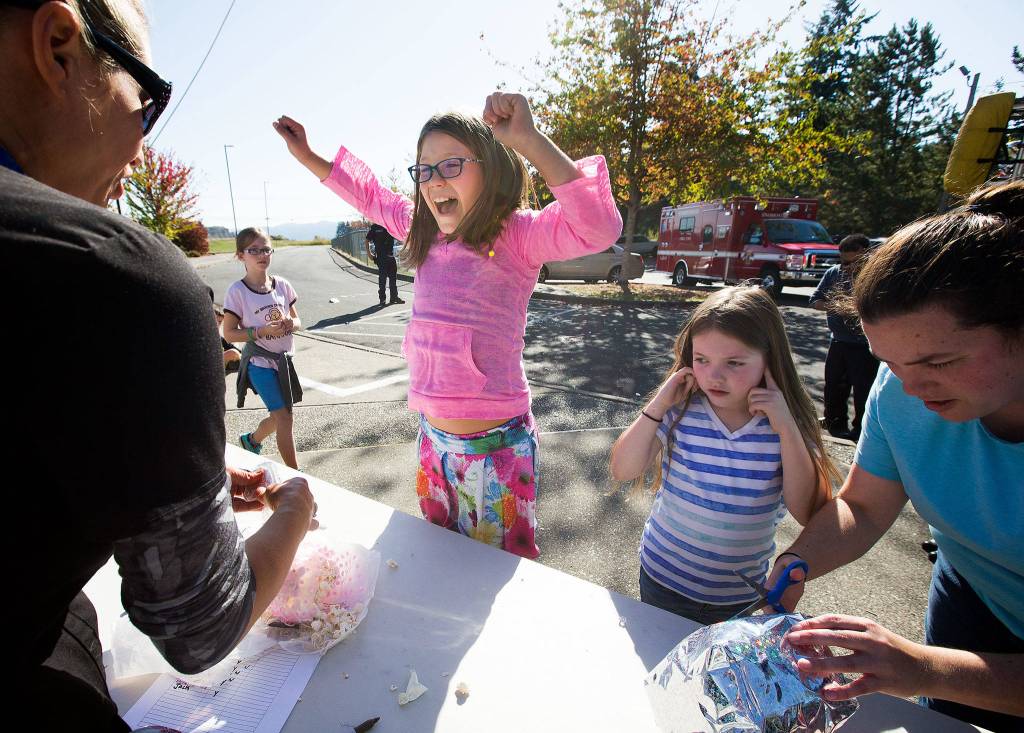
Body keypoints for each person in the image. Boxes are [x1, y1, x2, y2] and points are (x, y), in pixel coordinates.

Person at [1, 2, 315, 729]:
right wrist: (295, 510)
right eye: (147, 102)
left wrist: (147, 491)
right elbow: (201, 625)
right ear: (57, 47)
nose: (143, 150)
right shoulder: (122, 282)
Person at [274, 92, 622, 558]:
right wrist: (309, 157)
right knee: (438, 565)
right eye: (424, 170)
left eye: (452, 165)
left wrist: (529, 140)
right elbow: (372, 196)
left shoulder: (517, 235)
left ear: (492, 168)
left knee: (488, 577)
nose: (434, 180)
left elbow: (597, 227)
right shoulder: (423, 229)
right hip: (432, 441)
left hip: (495, 450)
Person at [768, 182, 1024, 729]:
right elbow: (861, 507)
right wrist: (796, 560)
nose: (910, 391)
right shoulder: (901, 386)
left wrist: (925, 667)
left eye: (938, 362)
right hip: (971, 601)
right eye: (889, 362)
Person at [609, 286, 839, 624]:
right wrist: (658, 404)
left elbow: (808, 512)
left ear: (769, 361)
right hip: (662, 579)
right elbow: (623, 470)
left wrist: (788, 430)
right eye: (702, 360)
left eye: (734, 362)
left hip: (737, 599)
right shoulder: (680, 409)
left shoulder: (785, 425)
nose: (714, 376)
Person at [222, 227, 303, 469]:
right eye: (254, 250)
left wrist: (291, 323)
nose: (261, 255)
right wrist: (261, 332)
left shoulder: (282, 285)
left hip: (283, 362)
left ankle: (251, 440)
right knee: (285, 418)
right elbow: (229, 332)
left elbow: (298, 321)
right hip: (259, 364)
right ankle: (295, 475)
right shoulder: (237, 291)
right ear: (240, 256)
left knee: (280, 417)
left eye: (266, 249)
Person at [809, 234, 879, 440]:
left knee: (863, 390)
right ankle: (834, 423)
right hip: (838, 341)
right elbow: (815, 301)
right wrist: (839, 306)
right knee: (834, 385)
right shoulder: (834, 274)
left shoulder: (875, 276)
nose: (846, 266)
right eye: (843, 261)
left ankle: (861, 429)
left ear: (866, 256)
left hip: (865, 344)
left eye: (851, 262)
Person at [366, 221, 403, 306]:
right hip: (381, 257)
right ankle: (382, 299)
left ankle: (394, 297)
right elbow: (367, 240)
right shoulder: (375, 227)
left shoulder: (390, 224)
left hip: (390, 256)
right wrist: (369, 254)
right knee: (382, 279)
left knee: (393, 278)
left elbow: (399, 236)